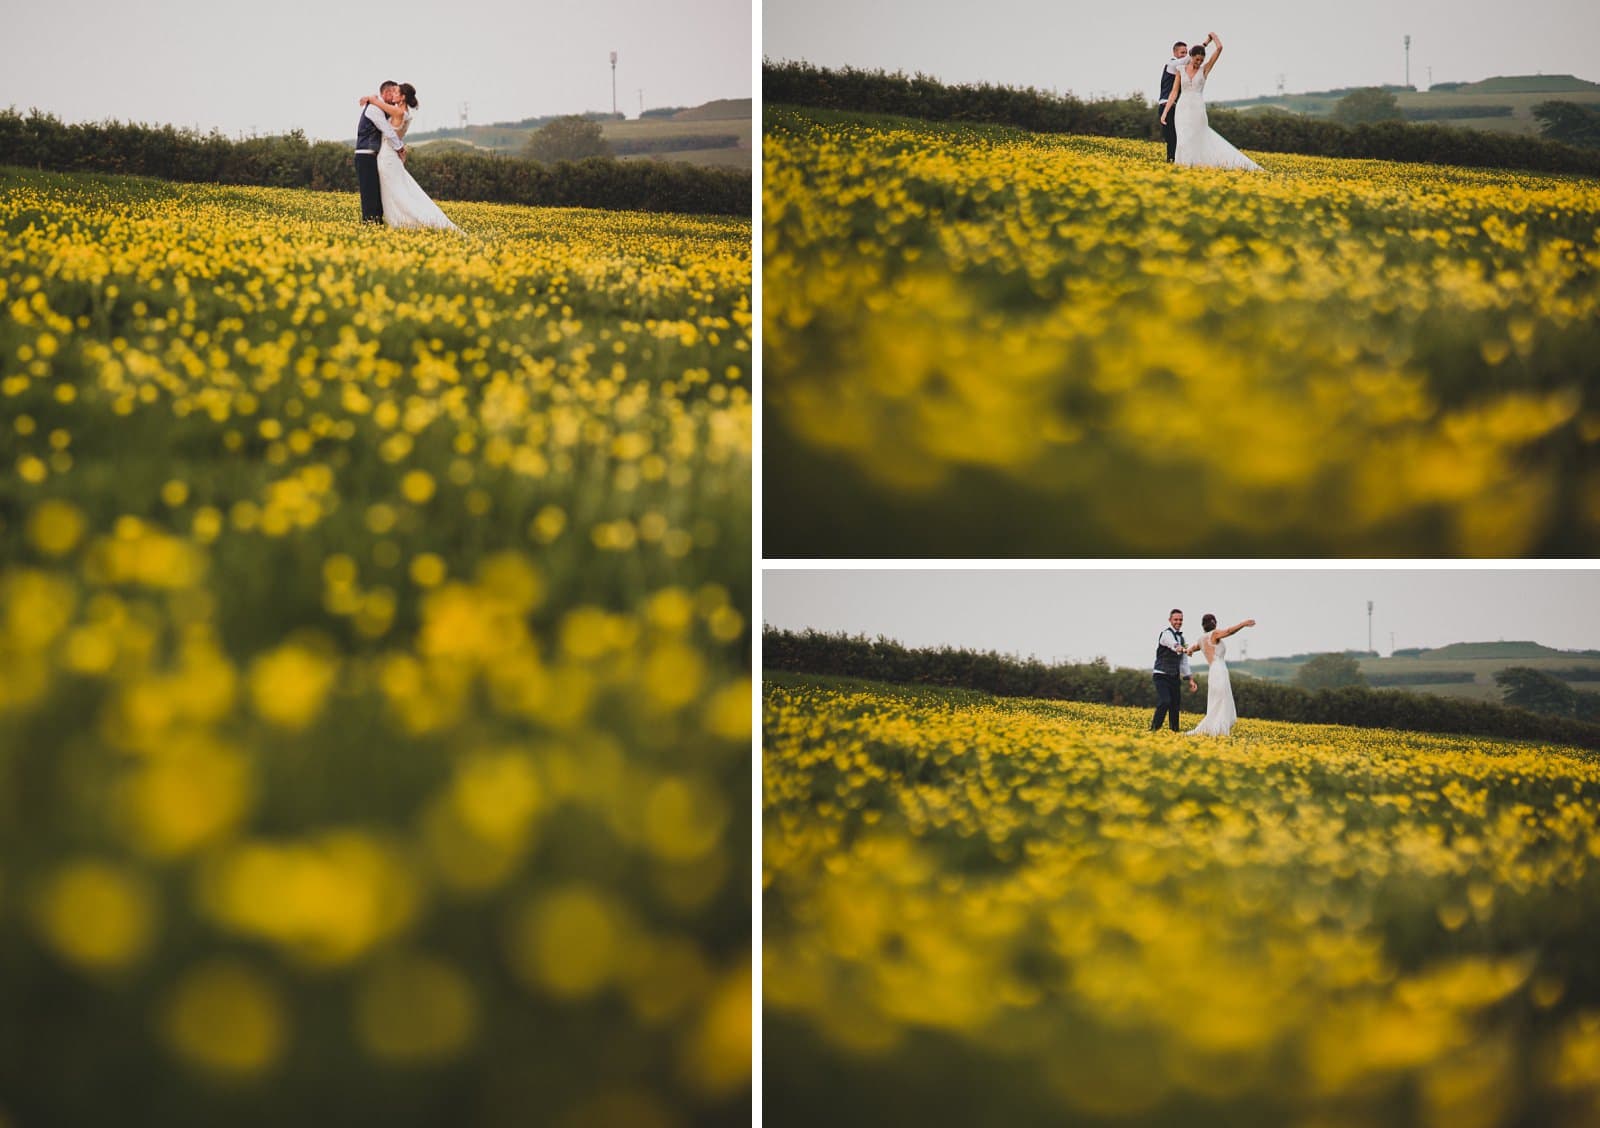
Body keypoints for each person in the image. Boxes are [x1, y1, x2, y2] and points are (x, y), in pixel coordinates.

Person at [357, 82, 461, 231]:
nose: (393, 94)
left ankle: (405, 222)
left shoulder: (398, 112)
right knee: (396, 190)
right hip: (388, 155)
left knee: (397, 192)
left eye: (396, 92)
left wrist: (371, 98)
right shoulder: (401, 111)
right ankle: (392, 221)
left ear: (403, 97)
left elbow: (380, 111)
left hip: (387, 156)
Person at [1160, 32, 1263, 171]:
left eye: (1201, 60)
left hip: (1197, 108)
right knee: (1182, 139)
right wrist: (1165, 112)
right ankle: (1182, 166)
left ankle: (1197, 165)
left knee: (1197, 138)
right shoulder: (1180, 70)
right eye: (1197, 59)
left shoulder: (1205, 69)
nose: (1199, 62)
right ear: (1191, 57)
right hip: (1182, 108)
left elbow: (1219, 48)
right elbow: (1173, 92)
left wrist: (1212, 37)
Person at [1187, 613, 1256, 736]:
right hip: (1219, 670)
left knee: (1217, 700)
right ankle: (1219, 731)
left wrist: (1189, 650)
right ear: (1214, 623)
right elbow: (1229, 631)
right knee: (1222, 700)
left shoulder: (1202, 639)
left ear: (1203, 625)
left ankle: (1216, 729)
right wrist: (1243, 624)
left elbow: (1194, 647)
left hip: (1213, 671)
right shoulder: (1214, 634)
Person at [354, 79, 407, 224]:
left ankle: (376, 222)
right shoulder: (374, 109)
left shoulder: (383, 108)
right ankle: (370, 222)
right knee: (369, 192)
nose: (395, 95)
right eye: (393, 92)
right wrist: (400, 148)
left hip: (374, 156)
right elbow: (387, 130)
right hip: (365, 155)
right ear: (387, 93)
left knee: (377, 192)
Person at [1150, 608, 1197, 732]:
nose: (1178, 622)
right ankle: (1154, 729)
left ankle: (1174, 732)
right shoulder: (1166, 634)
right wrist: (1183, 649)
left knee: (1175, 706)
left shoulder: (1183, 639)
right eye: (1176, 619)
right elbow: (1173, 645)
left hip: (1174, 676)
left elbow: (1183, 662)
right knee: (1165, 701)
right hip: (1161, 675)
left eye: (1180, 619)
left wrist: (1190, 679)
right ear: (1170, 620)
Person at [1157, 40, 1188, 163]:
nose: (1185, 55)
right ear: (1175, 53)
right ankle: (1171, 160)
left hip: (1175, 106)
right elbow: (1186, 60)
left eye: (1186, 52)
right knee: (1171, 137)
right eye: (1182, 52)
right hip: (1166, 105)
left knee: (1176, 136)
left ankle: (1174, 160)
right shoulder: (1172, 64)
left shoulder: (1181, 69)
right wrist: (1203, 45)